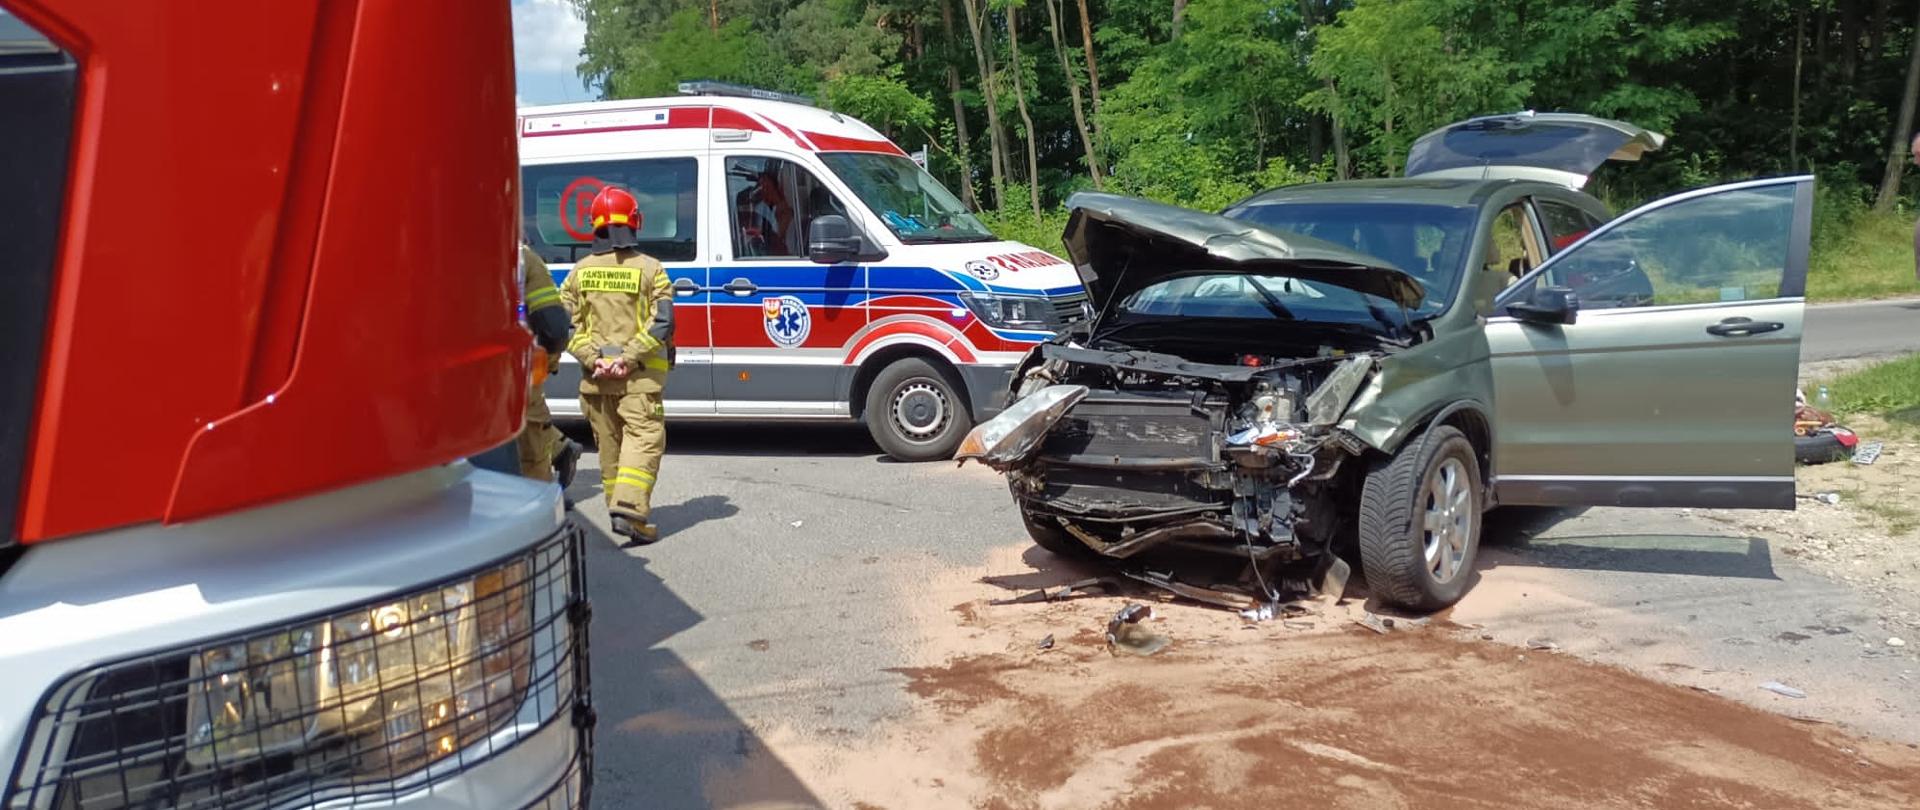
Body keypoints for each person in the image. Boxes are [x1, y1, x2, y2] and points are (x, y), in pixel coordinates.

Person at [561, 186, 675, 543]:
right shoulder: (651, 270)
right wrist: (627, 359)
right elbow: (663, 322)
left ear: (594, 225)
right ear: (634, 222)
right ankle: (628, 509)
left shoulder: (579, 273)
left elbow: (564, 325)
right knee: (643, 441)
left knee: (609, 450)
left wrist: (596, 360)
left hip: (594, 383)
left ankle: (623, 513)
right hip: (638, 382)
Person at [516, 243, 582, 494]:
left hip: (449, 375)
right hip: (514, 370)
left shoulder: (430, 250)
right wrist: (548, 363)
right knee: (530, 444)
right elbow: (553, 328)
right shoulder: (522, 258)